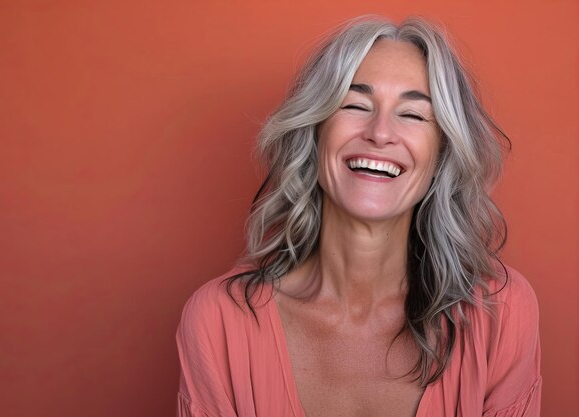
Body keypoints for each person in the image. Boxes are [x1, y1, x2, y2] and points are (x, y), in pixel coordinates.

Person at [175, 15, 541, 417]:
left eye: (414, 114)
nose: (380, 133)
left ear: (440, 156)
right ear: (314, 133)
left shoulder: (500, 313)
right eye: (355, 104)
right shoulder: (218, 322)